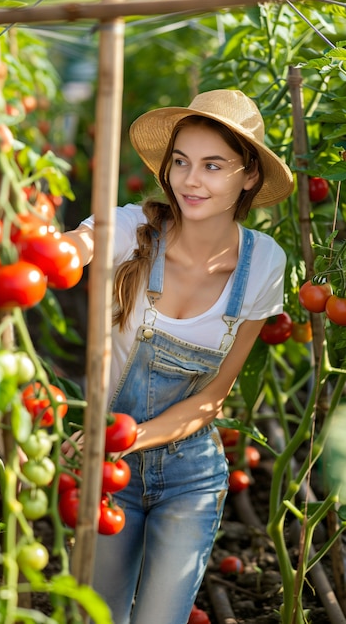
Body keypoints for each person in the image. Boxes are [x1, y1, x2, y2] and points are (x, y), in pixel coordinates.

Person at [64, 89, 294, 624]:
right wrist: (48, 248)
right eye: (181, 162)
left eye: (213, 166)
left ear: (249, 176)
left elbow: (213, 398)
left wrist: (123, 439)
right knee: (98, 616)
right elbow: (81, 242)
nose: (191, 181)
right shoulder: (131, 230)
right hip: (109, 477)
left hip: (189, 473)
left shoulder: (263, 264)